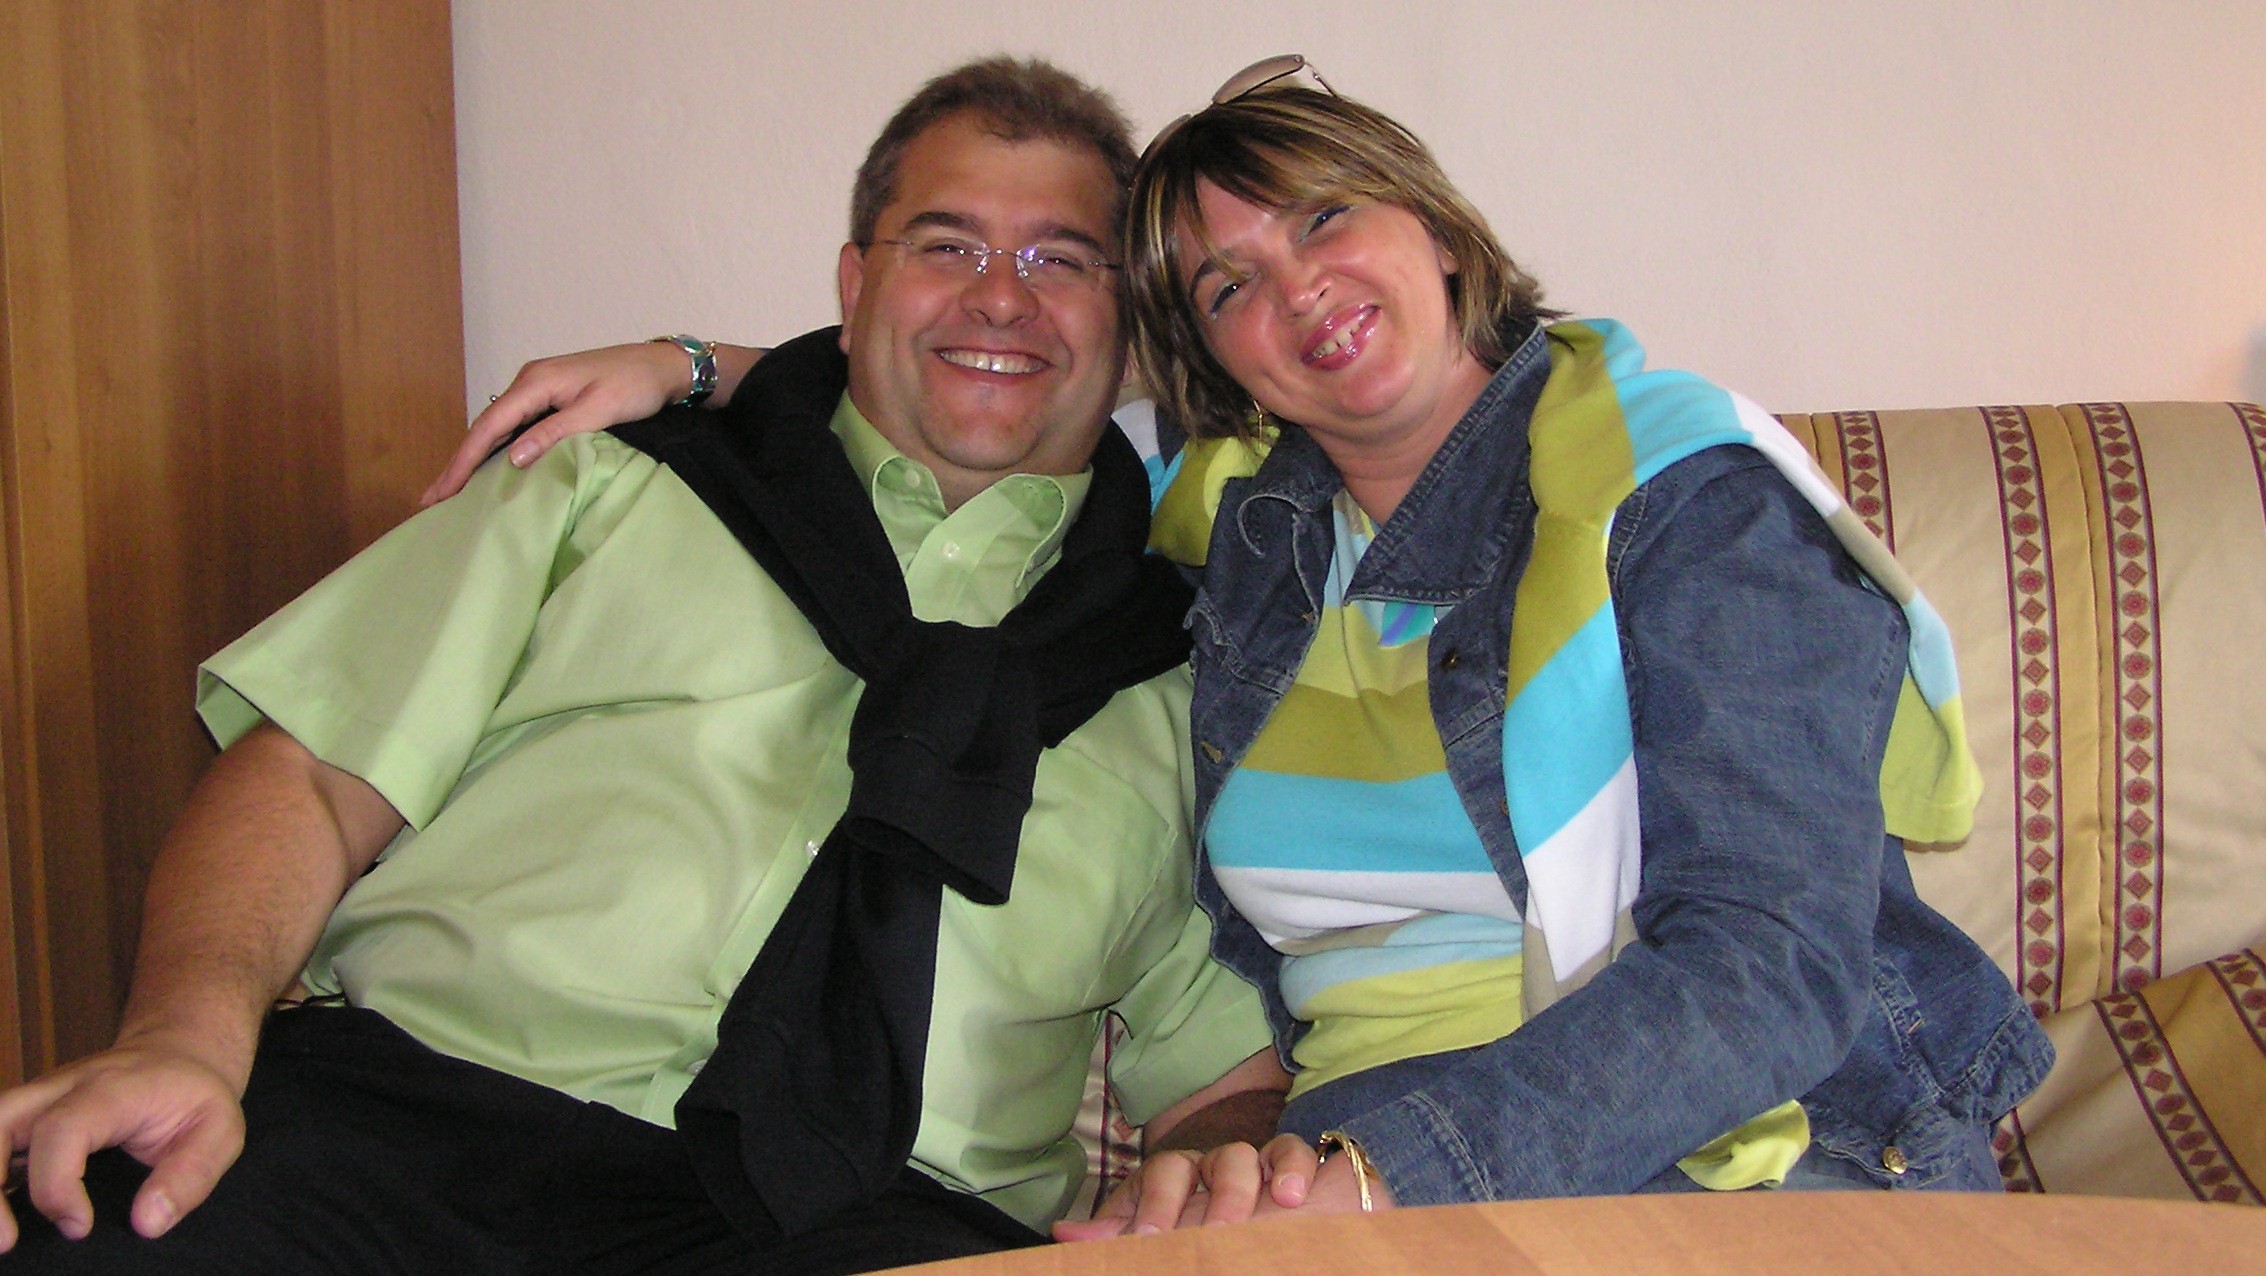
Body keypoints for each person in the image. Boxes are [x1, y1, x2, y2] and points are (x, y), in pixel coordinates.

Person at [418, 55, 2056, 1234]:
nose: (1301, 291)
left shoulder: (1687, 500)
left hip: (1720, 1151)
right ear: (1209, 359)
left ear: (1437, 228)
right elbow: (979, 378)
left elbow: (1769, 965)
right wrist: (692, 366)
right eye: (1226, 285)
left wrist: (1376, 1175)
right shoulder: (1238, 520)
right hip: (1340, 1174)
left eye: (1327, 219)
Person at [0, 57, 1285, 1274]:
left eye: (1059, 259)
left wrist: (1210, 1172)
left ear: (1129, 323)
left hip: (864, 1221)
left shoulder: (1188, 676)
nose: (1000, 297)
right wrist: (182, 1039)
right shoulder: (600, 488)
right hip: (405, 1129)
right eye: (945, 245)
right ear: (853, 287)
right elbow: (311, 777)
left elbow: (1222, 1073)